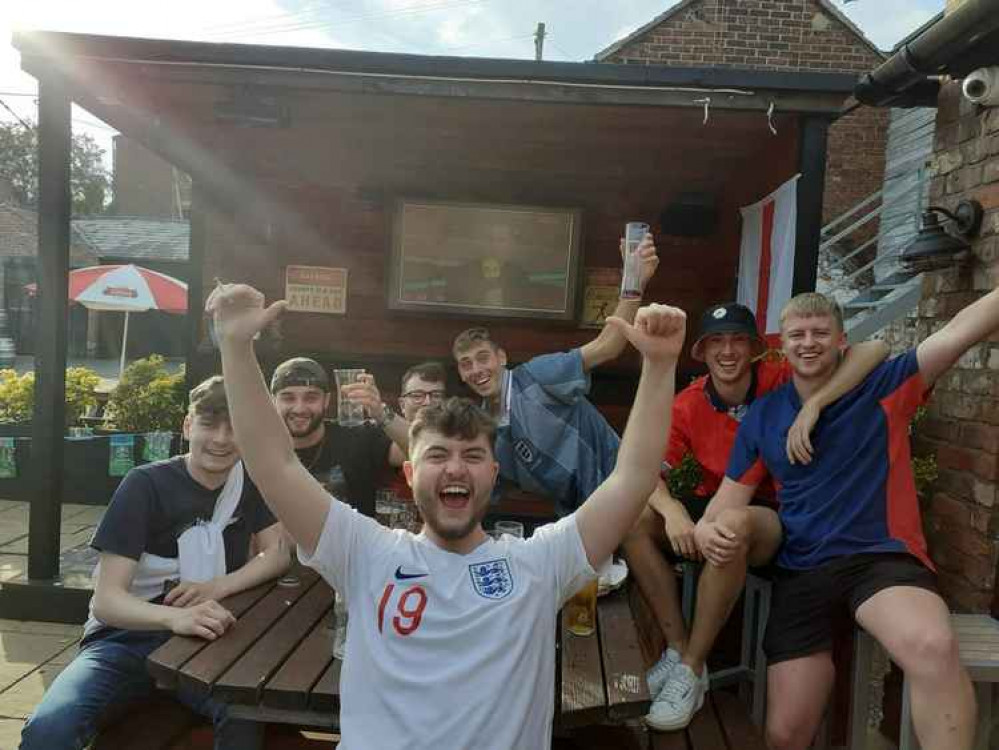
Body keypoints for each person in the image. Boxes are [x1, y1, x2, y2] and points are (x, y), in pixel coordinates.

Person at [206, 280, 686, 749]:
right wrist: (234, 345)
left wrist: (661, 365)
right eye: (438, 456)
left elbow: (633, 477)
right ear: (411, 474)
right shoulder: (364, 551)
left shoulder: (540, 563)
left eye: (472, 457)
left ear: (494, 474)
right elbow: (273, 462)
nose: (455, 468)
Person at [704, 291, 988, 750]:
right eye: (797, 334)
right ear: (782, 345)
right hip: (803, 569)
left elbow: (959, 330)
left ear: (841, 340)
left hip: (880, 559)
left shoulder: (885, 384)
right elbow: (726, 500)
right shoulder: (764, 414)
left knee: (931, 647)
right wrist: (704, 528)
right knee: (784, 733)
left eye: (820, 333)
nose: (808, 343)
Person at [621, 302, 889, 731]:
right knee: (634, 523)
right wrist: (673, 513)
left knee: (735, 525)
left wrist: (814, 403)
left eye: (738, 340)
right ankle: (676, 650)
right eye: (716, 342)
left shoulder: (781, 380)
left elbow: (874, 349)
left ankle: (691, 669)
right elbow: (646, 471)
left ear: (756, 349)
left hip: (781, 514)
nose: (727, 351)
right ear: (702, 352)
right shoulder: (689, 403)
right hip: (718, 502)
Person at [20, 376, 289, 750]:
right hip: (125, 641)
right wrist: (173, 617)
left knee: (244, 716)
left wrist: (217, 588)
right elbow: (107, 601)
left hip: (207, 640)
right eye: (209, 424)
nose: (222, 439)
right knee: (48, 729)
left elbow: (276, 553)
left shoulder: (248, 482)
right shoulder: (144, 484)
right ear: (187, 426)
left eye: (235, 428)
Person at [451, 233, 659, 515]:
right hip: (578, 518)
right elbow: (486, 490)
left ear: (502, 358)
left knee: (636, 530)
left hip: (624, 485)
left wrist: (634, 281)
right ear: (461, 375)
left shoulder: (536, 375)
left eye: (483, 358)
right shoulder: (484, 426)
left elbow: (608, 346)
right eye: (466, 364)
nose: (476, 370)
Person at [270, 357, 405, 517]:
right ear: (273, 401)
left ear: (326, 400)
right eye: (288, 398)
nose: (299, 408)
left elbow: (418, 451)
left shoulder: (356, 437)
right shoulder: (259, 449)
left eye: (311, 398)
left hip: (354, 541)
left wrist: (381, 413)